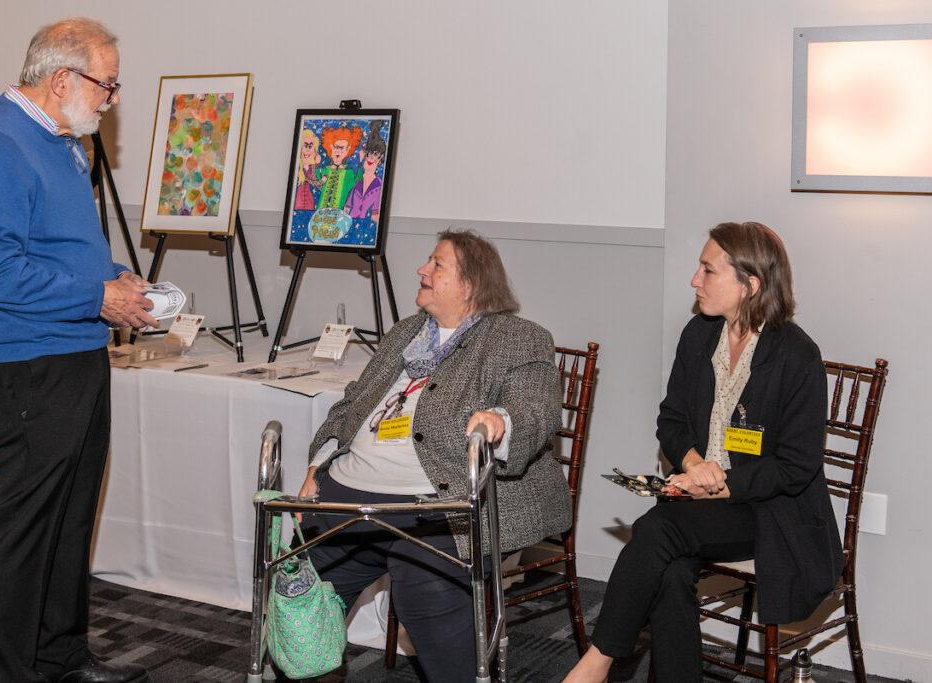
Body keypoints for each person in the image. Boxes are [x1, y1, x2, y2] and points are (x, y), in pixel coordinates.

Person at [0, 18, 157, 683]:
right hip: (27, 366)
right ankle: (7, 674)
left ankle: (60, 658)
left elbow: (56, 249)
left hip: (75, 354)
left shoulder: (60, 141)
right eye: (107, 84)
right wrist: (97, 298)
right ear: (62, 79)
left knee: (66, 524)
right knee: (20, 531)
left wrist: (114, 280)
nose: (112, 97)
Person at [564, 222, 842, 682]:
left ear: (750, 284)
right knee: (669, 572)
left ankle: (598, 660)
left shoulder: (797, 356)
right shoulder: (698, 335)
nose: (695, 280)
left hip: (769, 512)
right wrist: (694, 466)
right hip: (697, 506)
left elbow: (796, 467)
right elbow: (670, 421)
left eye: (708, 270)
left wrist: (721, 484)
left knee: (658, 528)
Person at [298, 229, 570, 681]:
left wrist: (499, 420)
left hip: (436, 505)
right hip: (348, 497)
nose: (422, 270)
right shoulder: (405, 332)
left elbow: (535, 409)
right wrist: (316, 464)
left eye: (437, 264)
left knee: (426, 601)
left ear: (471, 283)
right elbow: (351, 403)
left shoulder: (517, 338)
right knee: (297, 596)